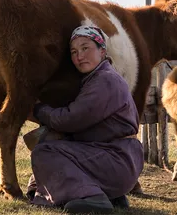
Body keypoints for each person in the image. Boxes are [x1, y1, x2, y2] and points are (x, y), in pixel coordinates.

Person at [27, 25, 144, 214]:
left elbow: (70, 120)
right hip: (119, 159)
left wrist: (39, 109)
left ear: (102, 51)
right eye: (74, 52)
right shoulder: (99, 78)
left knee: (45, 152)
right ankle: (111, 194)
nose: (79, 56)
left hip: (116, 160)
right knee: (54, 142)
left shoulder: (105, 80)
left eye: (85, 48)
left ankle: (92, 197)